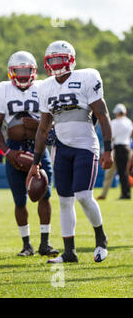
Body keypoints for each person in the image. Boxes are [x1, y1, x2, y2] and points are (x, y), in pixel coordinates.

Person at [26, 40, 112, 263]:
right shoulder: (45, 87)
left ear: (70, 60)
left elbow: (103, 115)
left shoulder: (87, 78)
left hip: (85, 146)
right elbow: (43, 128)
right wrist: (35, 162)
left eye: (59, 60)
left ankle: (101, 239)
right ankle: (69, 252)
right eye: (51, 61)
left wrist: (108, 149)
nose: (55, 65)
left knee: (83, 196)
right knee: (64, 200)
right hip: (61, 149)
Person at [0, 51, 58, 257]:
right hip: (15, 147)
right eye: (19, 71)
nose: (23, 75)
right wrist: (8, 152)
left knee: (44, 194)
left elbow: (52, 124)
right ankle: (26, 244)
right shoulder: (2, 90)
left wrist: (38, 125)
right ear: (11, 72)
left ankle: (45, 243)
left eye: (27, 70)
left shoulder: (44, 87)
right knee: (19, 199)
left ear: (34, 71)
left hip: (38, 147)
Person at [110, 103, 133, 199]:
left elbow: (112, 136)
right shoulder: (129, 122)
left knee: (121, 172)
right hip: (127, 147)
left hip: (119, 148)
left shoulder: (114, 122)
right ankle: (126, 192)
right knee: (126, 171)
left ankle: (125, 194)